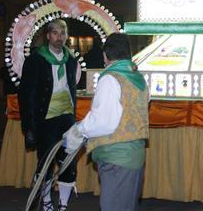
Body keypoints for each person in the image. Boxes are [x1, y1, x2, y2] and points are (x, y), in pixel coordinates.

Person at [64, 33, 149, 211]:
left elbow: (103, 121)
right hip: (134, 155)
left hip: (116, 157)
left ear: (105, 55)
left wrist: (79, 131)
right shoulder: (138, 78)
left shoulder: (111, 78)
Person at [19, 19, 80, 211]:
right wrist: (28, 126)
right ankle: (46, 201)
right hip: (45, 118)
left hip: (67, 117)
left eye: (62, 33)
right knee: (45, 163)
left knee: (68, 161)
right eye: (55, 33)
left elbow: (72, 88)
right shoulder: (36, 59)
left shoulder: (70, 59)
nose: (59, 37)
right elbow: (26, 94)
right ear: (48, 36)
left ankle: (62, 204)